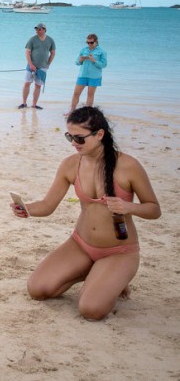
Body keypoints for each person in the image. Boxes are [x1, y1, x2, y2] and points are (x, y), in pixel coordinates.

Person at [10, 107, 160, 320]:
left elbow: (154, 209)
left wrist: (129, 207)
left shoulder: (128, 166)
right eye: (69, 137)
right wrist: (26, 209)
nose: (73, 143)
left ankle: (113, 278)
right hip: (81, 244)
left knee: (90, 310)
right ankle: (95, 272)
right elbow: (47, 205)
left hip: (119, 250)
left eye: (79, 138)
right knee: (38, 290)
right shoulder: (70, 164)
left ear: (99, 135)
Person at [19, 22, 56, 109]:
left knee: (38, 85)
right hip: (31, 66)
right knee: (27, 83)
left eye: (39, 29)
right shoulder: (32, 39)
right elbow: (27, 52)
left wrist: (48, 64)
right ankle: (24, 103)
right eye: (36, 29)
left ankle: (34, 104)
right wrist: (31, 64)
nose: (37, 31)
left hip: (43, 67)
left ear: (44, 30)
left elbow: (53, 53)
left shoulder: (50, 40)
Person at [68, 34, 107, 114]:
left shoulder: (102, 51)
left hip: (94, 76)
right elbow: (77, 62)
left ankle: (87, 114)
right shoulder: (83, 50)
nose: (89, 44)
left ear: (96, 42)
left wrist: (94, 61)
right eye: (87, 42)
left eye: (91, 42)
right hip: (83, 75)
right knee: (76, 93)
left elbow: (104, 64)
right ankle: (72, 111)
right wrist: (80, 60)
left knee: (90, 94)